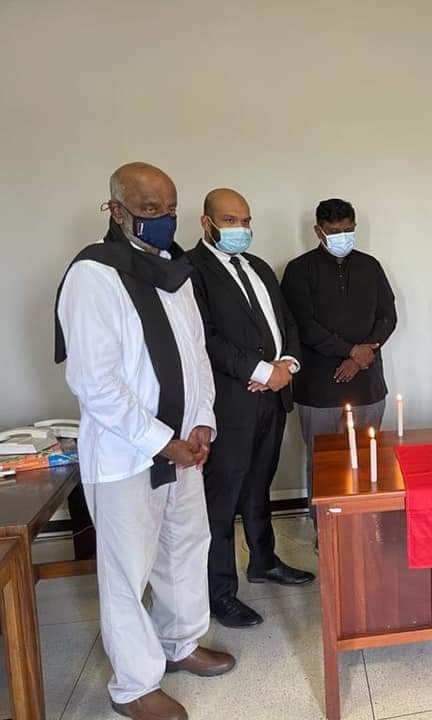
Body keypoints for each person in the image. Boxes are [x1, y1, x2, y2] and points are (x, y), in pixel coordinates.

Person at [55, 163, 234, 720]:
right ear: (116, 209)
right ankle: (133, 685)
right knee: (126, 571)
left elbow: (196, 357)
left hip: (184, 449)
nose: (163, 219)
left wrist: (201, 423)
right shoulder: (93, 274)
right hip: (126, 455)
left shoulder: (174, 273)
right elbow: (94, 381)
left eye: (170, 208)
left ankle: (181, 643)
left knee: (185, 547)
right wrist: (160, 441)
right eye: (150, 209)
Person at [187, 188, 315, 630]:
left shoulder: (258, 266)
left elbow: (287, 323)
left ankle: (264, 561)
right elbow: (204, 337)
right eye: (230, 220)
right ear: (206, 223)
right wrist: (262, 371)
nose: (240, 228)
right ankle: (220, 593)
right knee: (221, 501)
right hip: (231, 403)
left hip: (272, 399)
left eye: (245, 220)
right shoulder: (191, 270)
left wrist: (287, 365)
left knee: (260, 485)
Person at [281, 198, 397, 481]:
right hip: (318, 388)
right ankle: (323, 514)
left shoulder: (370, 266)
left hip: (367, 384)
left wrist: (360, 356)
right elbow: (302, 325)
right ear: (318, 231)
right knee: (323, 466)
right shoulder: (299, 269)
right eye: (334, 231)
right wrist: (351, 351)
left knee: (368, 461)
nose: (342, 237)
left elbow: (387, 316)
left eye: (348, 230)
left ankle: (368, 512)